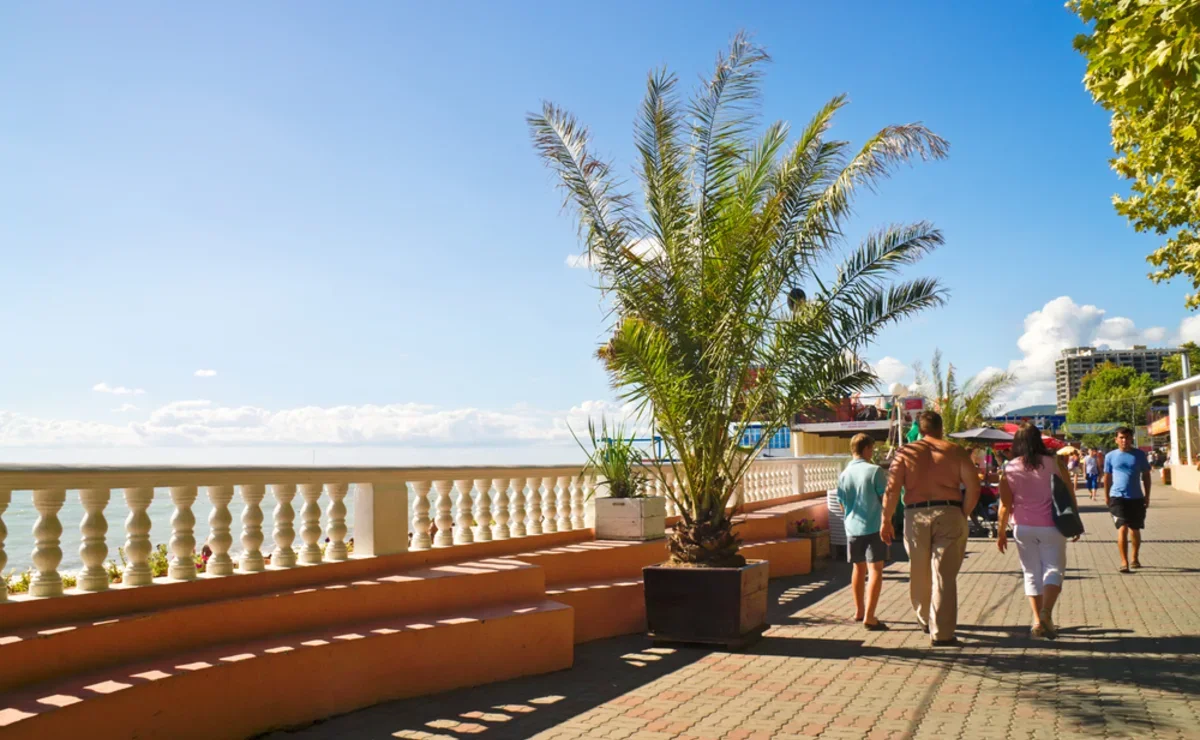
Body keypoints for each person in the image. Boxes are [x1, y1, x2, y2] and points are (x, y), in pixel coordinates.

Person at [882, 411, 981, 646]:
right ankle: (942, 633)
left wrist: (885, 520)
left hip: (915, 514)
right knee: (944, 575)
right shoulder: (954, 451)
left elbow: (892, 489)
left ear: (920, 429)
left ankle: (924, 617)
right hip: (948, 511)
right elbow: (974, 486)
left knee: (919, 571)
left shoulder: (905, 453)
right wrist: (963, 513)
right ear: (941, 428)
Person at [997, 424, 1079, 639]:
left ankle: (1037, 621)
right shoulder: (1054, 463)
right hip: (1053, 526)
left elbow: (1005, 504)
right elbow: (1069, 493)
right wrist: (1075, 521)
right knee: (1054, 569)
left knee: (1031, 572)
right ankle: (1046, 612)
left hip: (1022, 527)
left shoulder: (1010, 468)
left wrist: (1000, 532)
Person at [836, 433, 889, 631]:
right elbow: (885, 499)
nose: (872, 452)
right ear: (866, 449)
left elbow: (841, 504)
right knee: (876, 569)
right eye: (871, 449)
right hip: (873, 527)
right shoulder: (875, 471)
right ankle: (870, 616)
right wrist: (888, 522)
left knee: (858, 568)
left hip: (852, 528)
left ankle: (859, 611)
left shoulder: (844, 474)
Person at [1105, 427, 1152, 573]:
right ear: (1116, 440)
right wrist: (1106, 496)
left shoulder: (1139, 455)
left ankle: (1134, 557)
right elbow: (1107, 477)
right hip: (1117, 497)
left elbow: (1146, 475)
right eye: (1121, 437)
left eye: (1127, 437)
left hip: (1136, 497)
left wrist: (1147, 496)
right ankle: (1124, 561)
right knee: (1122, 527)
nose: (1124, 440)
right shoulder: (1110, 456)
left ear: (1131, 439)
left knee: (1134, 529)